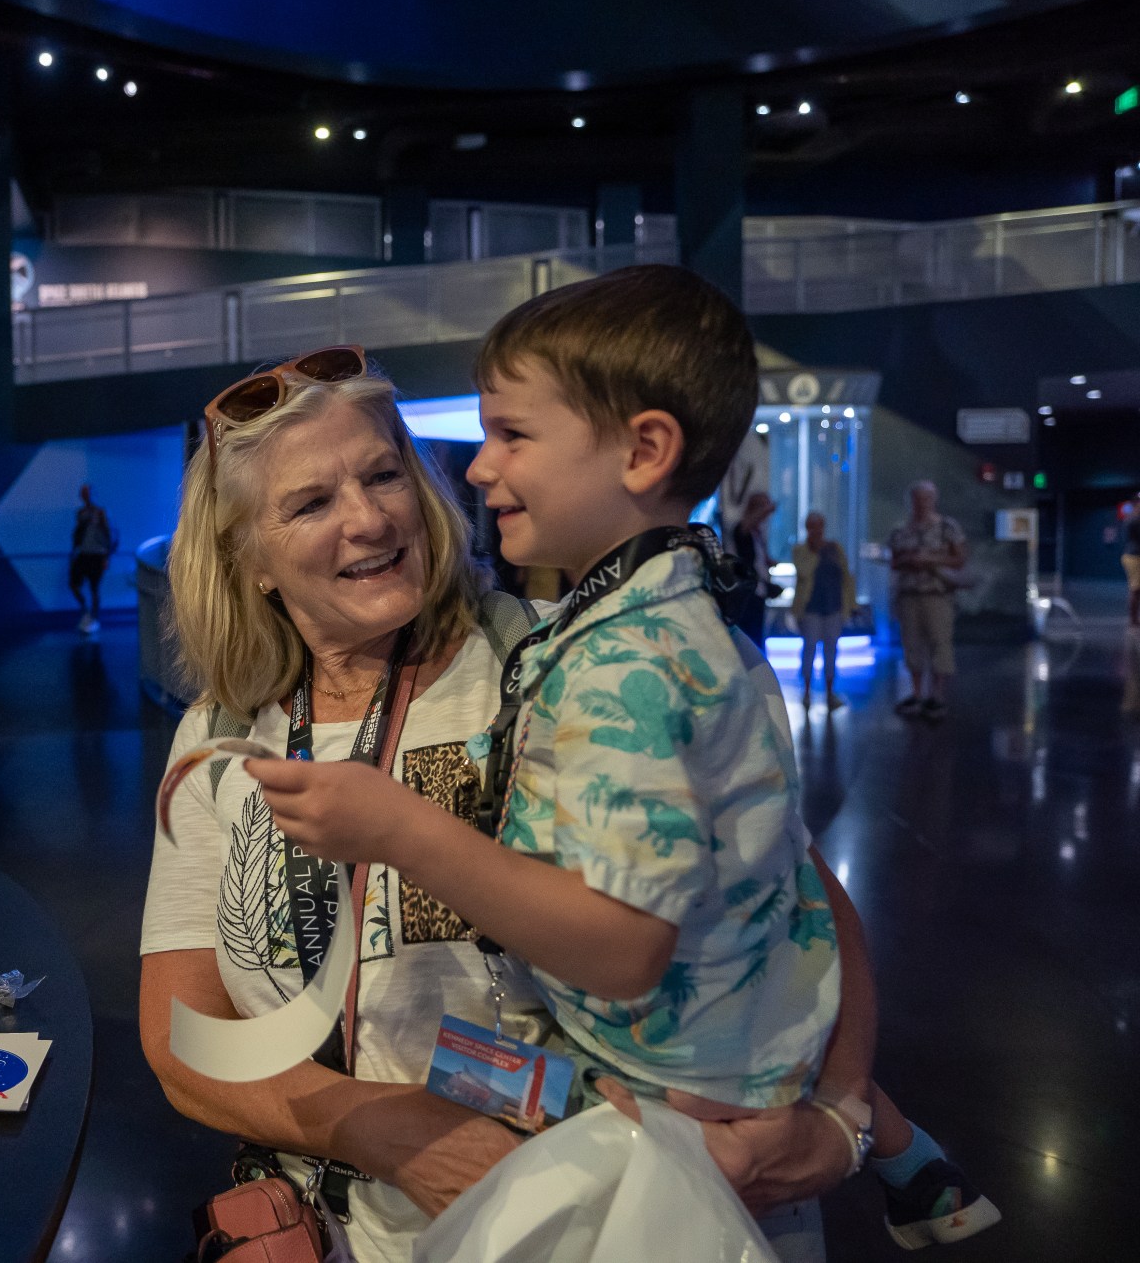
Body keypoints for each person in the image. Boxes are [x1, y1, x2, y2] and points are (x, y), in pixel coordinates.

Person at [254, 270, 998, 1254]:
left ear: (644, 449)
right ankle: (914, 1161)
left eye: (509, 435)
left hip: (663, 1090)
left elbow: (624, 947)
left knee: (466, 1081)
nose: (475, 471)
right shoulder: (670, 617)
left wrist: (397, 828)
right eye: (308, 501)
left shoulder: (620, 662)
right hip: (723, 1049)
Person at [141, 340, 875, 1263]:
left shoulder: (575, 667)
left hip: (608, 1220)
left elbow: (799, 900)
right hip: (340, 1231)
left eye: (384, 474)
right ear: (250, 558)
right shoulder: (224, 734)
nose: (368, 519)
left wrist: (841, 1121)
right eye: (311, 502)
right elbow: (183, 1040)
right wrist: (372, 1127)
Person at [887, 481, 968, 720]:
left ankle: (937, 694)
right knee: (911, 643)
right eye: (917, 499)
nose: (922, 504)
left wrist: (931, 561)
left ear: (934, 500)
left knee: (939, 642)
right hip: (909, 595)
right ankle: (916, 693)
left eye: (926, 499)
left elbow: (960, 558)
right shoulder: (901, 531)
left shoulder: (947, 527)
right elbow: (894, 561)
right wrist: (911, 561)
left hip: (937, 595)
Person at [792, 511, 856, 711]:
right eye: (812, 526)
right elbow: (804, 571)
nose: (816, 531)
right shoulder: (800, 550)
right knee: (809, 648)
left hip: (833, 606)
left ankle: (830, 693)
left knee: (831, 649)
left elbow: (846, 576)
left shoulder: (835, 548)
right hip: (811, 608)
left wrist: (851, 604)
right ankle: (807, 692)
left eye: (819, 526)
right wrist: (815, 551)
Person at [729, 489, 779, 650]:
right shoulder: (742, 529)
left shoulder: (757, 533)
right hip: (748, 592)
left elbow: (758, 559)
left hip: (759, 591)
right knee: (749, 637)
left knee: (757, 635)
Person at [69, 483, 114, 633]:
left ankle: (94, 618)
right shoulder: (81, 513)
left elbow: (108, 535)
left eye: (87, 493)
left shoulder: (100, 513)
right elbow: (77, 535)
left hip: (97, 555)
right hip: (83, 553)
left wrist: (107, 557)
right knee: (74, 584)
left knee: (94, 587)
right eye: (83, 493)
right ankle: (85, 610)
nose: (85, 496)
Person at [1122, 492, 1140, 627]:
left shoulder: (1131, 518)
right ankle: (1133, 620)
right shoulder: (1134, 519)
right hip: (1134, 557)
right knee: (1135, 589)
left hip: (1132, 555)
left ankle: (1134, 619)